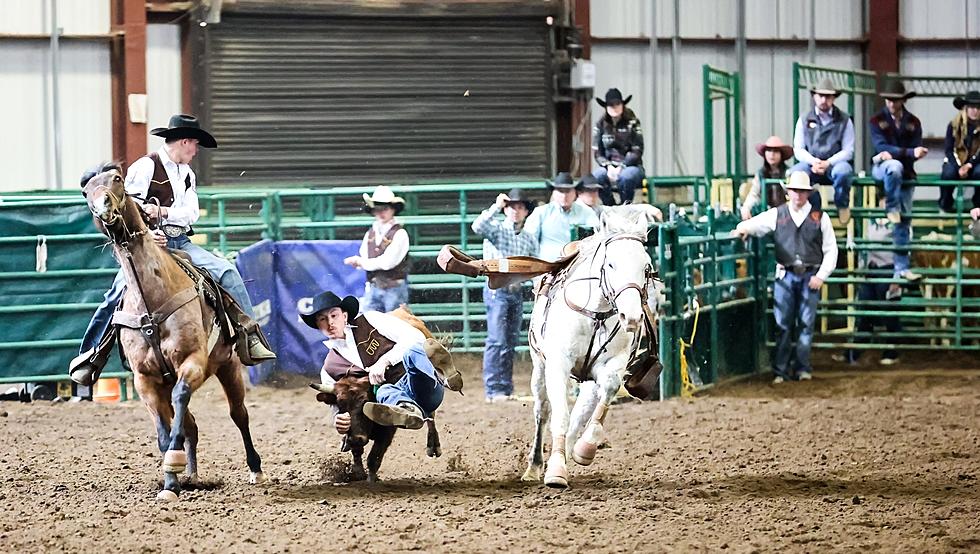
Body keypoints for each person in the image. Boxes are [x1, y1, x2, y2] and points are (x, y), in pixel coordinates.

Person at [69, 114, 275, 388]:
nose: (195, 150)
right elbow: (128, 206)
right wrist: (149, 233)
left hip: (181, 242)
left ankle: (249, 336)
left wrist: (163, 212)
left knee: (227, 272)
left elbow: (191, 214)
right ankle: (92, 353)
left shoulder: (187, 174)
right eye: (194, 145)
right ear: (185, 141)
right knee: (118, 292)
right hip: (147, 246)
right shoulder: (145, 167)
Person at [733, 172, 838, 383]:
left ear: (807, 194)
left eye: (801, 191)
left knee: (805, 324)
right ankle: (782, 370)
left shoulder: (820, 218)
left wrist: (821, 275)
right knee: (783, 324)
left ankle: (801, 368)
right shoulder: (777, 214)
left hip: (809, 276)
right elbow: (755, 224)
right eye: (794, 191)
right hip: (786, 275)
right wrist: (741, 228)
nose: (798, 195)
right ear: (788, 193)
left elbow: (831, 250)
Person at [302, 291, 458, 431]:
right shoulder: (329, 368)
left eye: (334, 315)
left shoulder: (371, 320)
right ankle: (408, 410)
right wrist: (338, 418)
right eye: (323, 319)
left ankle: (444, 375)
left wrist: (384, 361)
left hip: (421, 384)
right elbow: (336, 402)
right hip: (394, 397)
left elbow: (416, 337)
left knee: (413, 351)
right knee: (383, 391)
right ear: (318, 325)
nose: (330, 323)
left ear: (344, 316)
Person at [471, 189, 537, 402]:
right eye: (512, 207)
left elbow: (534, 265)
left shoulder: (528, 238)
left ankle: (504, 388)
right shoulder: (497, 230)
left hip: (515, 292)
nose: (516, 211)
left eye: (520, 207)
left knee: (509, 341)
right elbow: (477, 226)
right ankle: (494, 389)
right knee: (497, 339)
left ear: (525, 211)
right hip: (497, 290)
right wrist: (496, 207)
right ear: (506, 209)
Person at [833, 195, 903, 365]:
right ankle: (854, 353)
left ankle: (891, 351)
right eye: (883, 198)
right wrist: (863, 267)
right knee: (864, 313)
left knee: (889, 314)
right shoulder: (870, 219)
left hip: (889, 270)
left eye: (888, 199)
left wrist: (898, 277)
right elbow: (863, 246)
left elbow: (904, 251)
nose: (884, 202)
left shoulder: (900, 220)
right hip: (870, 270)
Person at [868, 81, 927, 282]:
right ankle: (891, 206)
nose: (892, 103)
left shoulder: (913, 122)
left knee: (905, 220)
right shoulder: (876, 120)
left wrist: (896, 153)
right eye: (889, 100)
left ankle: (901, 268)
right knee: (894, 167)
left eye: (895, 100)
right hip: (885, 168)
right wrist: (909, 153)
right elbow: (881, 146)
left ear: (903, 100)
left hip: (905, 174)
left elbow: (891, 148)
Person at [790, 78, 856, 224]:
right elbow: (798, 149)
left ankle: (842, 204)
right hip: (811, 163)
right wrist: (813, 161)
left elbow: (848, 150)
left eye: (828, 96)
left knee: (843, 172)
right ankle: (806, 209)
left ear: (833, 98)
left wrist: (828, 162)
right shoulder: (804, 119)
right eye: (820, 96)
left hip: (834, 164)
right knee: (794, 174)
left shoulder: (845, 120)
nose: (824, 100)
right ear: (814, 96)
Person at [344, 186, 411, 312]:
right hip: (374, 287)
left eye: (385, 208)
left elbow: (387, 263)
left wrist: (361, 262)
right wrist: (360, 263)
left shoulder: (400, 233)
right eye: (377, 209)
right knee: (369, 325)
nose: (381, 213)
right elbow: (366, 257)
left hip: (394, 288)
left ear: (392, 210)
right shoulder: (370, 234)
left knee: (393, 326)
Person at [522, 172, 600, 262]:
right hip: (548, 266)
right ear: (554, 193)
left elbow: (597, 238)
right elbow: (528, 241)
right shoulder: (541, 212)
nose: (564, 196)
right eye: (560, 191)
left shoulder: (586, 213)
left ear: (575, 192)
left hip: (579, 266)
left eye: (568, 191)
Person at [591, 88, 645, 206]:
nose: (614, 107)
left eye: (617, 104)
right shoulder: (600, 124)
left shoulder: (633, 122)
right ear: (606, 107)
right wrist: (608, 165)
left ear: (622, 105)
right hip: (608, 166)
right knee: (597, 176)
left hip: (632, 166)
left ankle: (625, 206)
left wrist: (622, 166)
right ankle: (609, 206)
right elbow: (597, 152)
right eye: (611, 105)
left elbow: (637, 150)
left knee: (626, 177)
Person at [939, 90, 980, 213]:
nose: (975, 111)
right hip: (956, 161)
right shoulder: (954, 125)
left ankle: (978, 206)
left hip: (975, 163)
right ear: (965, 108)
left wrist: (969, 165)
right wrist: (958, 166)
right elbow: (948, 149)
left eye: (978, 107)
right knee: (948, 173)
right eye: (972, 107)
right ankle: (945, 204)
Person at [741, 136, 793, 220]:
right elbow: (754, 194)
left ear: (781, 154)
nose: (772, 154)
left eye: (776, 151)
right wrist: (746, 208)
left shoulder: (789, 173)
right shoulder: (760, 174)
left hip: (786, 216)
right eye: (769, 150)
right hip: (766, 215)